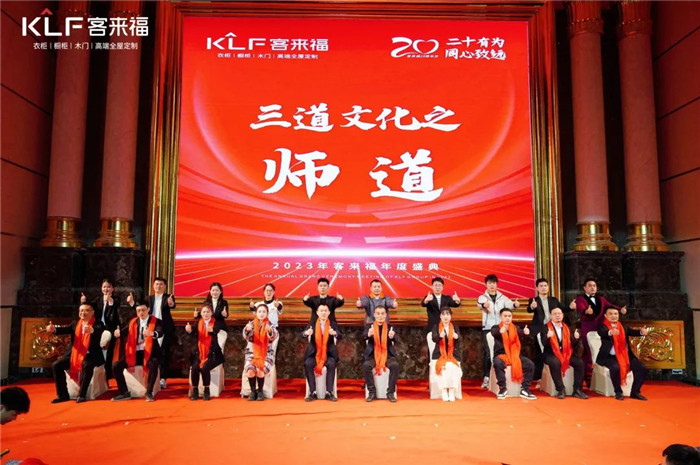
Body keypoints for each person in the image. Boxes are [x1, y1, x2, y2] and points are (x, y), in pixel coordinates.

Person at [570, 278, 627, 385]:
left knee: (600, 350)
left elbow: (610, 306)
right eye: (590, 285)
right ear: (584, 288)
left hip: (601, 328)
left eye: (594, 286)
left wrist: (620, 309)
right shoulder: (580, 299)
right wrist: (587, 311)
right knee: (589, 352)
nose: (592, 287)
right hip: (588, 328)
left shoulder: (601, 299)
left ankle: (600, 376)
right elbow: (582, 308)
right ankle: (588, 376)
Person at [45, 304, 105, 403]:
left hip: (90, 355)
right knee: (56, 365)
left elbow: (99, 330)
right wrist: (54, 329)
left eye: (86, 310)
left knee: (87, 364)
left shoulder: (98, 323)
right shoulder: (75, 323)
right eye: (81, 311)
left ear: (92, 312)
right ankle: (63, 395)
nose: (83, 313)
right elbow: (65, 329)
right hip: (75, 354)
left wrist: (92, 330)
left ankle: (82, 395)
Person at [127, 276, 175, 389]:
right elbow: (140, 308)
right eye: (156, 284)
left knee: (164, 353)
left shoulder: (168, 297)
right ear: (153, 286)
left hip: (162, 328)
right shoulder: (149, 298)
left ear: (165, 286)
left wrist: (170, 303)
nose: (158, 286)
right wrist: (132, 303)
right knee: (151, 351)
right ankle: (150, 376)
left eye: (161, 284)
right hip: (149, 327)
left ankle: (163, 378)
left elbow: (172, 305)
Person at [111, 304, 163, 402]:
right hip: (134, 354)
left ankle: (149, 392)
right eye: (138, 311)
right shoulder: (133, 322)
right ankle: (124, 392)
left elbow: (160, 332)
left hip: (150, 353)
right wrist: (118, 333)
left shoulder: (156, 321)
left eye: (143, 310)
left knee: (154, 364)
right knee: (116, 366)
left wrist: (152, 333)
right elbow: (124, 331)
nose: (141, 313)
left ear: (148, 309)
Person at [596, 307, 649, 401]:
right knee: (616, 368)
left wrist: (641, 332)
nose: (614, 316)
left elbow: (632, 332)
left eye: (616, 314)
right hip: (609, 357)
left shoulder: (623, 326)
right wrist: (610, 332)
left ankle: (635, 392)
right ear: (605, 315)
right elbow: (602, 332)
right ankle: (618, 392)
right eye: (611, 314)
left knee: (642, 368)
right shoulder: (602, 326)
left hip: (625, 355)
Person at [477, 274, 518, 389]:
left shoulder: (502, 297)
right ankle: (486, 377)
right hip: (488, 328)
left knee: (501, 352)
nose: (492, 285)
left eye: (494, 283)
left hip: (501, 328)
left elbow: (510, 305)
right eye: (489, 283)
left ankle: (500, 378)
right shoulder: (482, 297)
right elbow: (479, 305)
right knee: (487, 353)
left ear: (497, 284)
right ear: (486, 284)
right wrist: (483, 305)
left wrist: (515, 305)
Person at [526, 278, 571, 384]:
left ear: (548, 287)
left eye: (545, 285)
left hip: (552, 328)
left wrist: (570, 307)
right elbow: (529, 310)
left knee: (551, 350)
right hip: (539, 329)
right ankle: (539, 377)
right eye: (541, 286)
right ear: (537, 288)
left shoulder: (553, 300)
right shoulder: (534, 300)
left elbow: (563, 309)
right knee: (538, 353)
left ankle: (551, 376)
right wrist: (532, 306)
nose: (543, 288)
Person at [539, 307, 587, 399]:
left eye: (559, 313)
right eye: (555, 314)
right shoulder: (545, 328)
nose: (557, 315)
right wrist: (548, 337)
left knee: (579, 362)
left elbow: (571, 344)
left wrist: (576, 339)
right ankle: (560, 389)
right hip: (550, 353)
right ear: (550, 316)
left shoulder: (567, 327)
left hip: (566, 353)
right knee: (555, 362)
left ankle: (577, 390)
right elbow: (544, 343)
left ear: (562, 315)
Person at [490, 308, 536, 400]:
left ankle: (525, 389)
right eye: (505, 316)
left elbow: (521, 332)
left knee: (530, 364)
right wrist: (500, 331)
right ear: (501, 317)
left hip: (515, 356)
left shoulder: (515, 328)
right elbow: (494, 333)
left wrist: (525, 332)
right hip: (501, 355)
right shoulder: (496, 327)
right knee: (498, 363)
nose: (507, 318)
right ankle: (502, 388)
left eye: (509, 316)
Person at [80, 279, 121, 378]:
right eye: (104, 287)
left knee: (109, 351)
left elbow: (115, 305)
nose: (106, 289)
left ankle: (108, 373)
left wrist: (109, 300)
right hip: (98, 327)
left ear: (112, 289)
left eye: (108, 287)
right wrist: (83, 301)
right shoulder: (98, 300)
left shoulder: (116, 299)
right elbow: (88, 307)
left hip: (111, 328)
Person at [186, 304, 226, 401]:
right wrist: (189, 330)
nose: (205, 314)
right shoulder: (198, 323)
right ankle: (195, 390)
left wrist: (212, 330)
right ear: (201, 313)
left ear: (211, 313)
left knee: (204, 368)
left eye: (208, 312)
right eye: (203, 312)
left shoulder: (216, 322)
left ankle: (206, 390)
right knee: (195, 368)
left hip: (213, 354)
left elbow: (216, 329)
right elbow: (192, 334)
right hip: (199, 353)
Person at [302, 304, 340, 402]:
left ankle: (329, 392)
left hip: (329, 354)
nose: (323, 313)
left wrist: (334, 333)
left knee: (331, 363)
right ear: (317, 313)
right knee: (308, 363)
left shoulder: (333, 324)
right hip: (314, 354)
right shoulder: (312, 323)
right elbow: (302, 334)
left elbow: (340, 335)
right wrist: (306, 333)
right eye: (321, 311)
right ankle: (312, 392)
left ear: (329, 313)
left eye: (325, 311)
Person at [243, 303, 279, 401]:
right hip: (252, 354)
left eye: (264, 312)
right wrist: (247, 330)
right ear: (256, 313)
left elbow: (274, 336)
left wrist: (270, 331)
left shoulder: (270, 325)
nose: (261, 314)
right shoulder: (251, 324)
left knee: (260, 370)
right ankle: (253, 391)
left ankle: (260, 391)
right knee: (250, 370)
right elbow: (247, 337)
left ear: (267, 313)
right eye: (259, 311)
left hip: (266, 354)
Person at [362, 306, 398, 402]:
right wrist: (368, 334)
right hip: (372, 356)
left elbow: (396, 339)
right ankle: (372, 392)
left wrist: (392, 337)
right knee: (366, 365)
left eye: (382, 314)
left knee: (394, 365)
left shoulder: (390, 327)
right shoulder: (369, 326)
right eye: (378, 313)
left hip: (388, 356)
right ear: (374, 315)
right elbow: (363, 336)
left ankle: (390, 393)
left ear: (386, 315)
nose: (380, 316)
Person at [431, 308, 462, 402]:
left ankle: (451, 390)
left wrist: (457, 337)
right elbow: (434, 338)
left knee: (452, 366)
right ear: (440, 316)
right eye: (443, 314)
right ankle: (444, 390)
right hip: (439, 354)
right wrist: (439, 337)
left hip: (452, 355)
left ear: (450, 316)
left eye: (447, 314)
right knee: (444, 367)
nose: (445, 317)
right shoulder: (436, 326)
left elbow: (460, 339)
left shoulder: (455, 327)